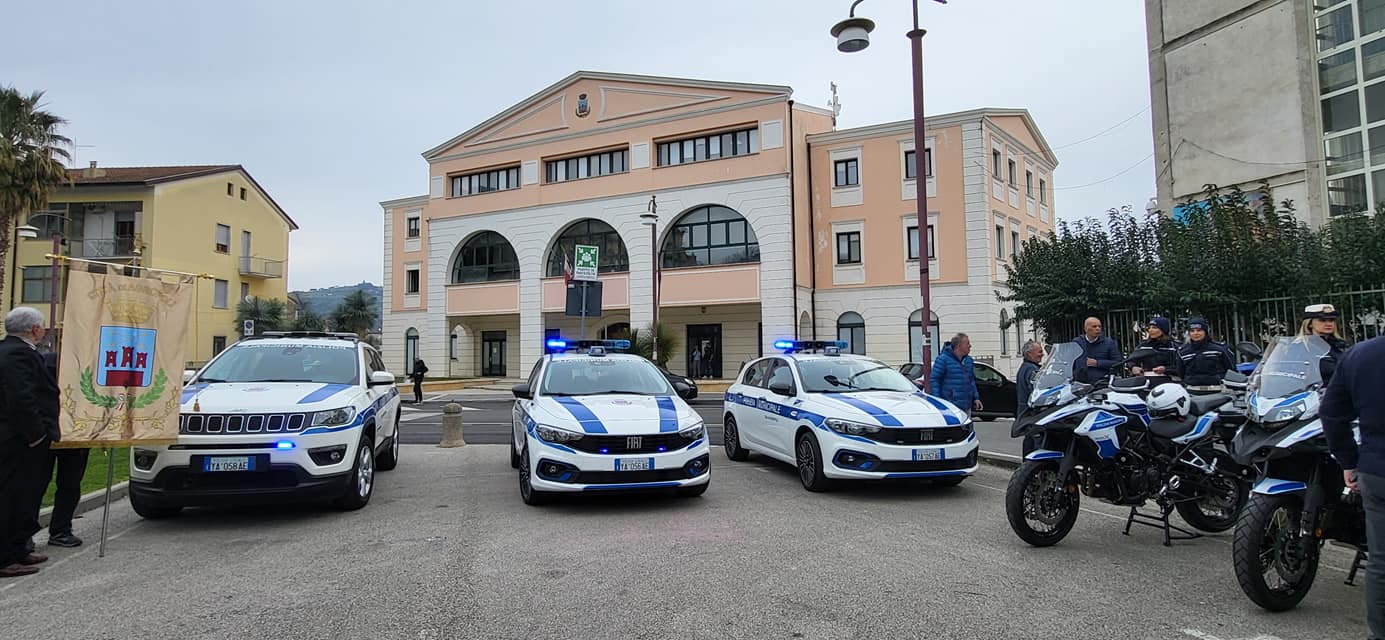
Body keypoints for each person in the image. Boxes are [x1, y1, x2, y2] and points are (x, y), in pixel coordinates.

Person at [1320, 334, 1385, 640]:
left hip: (1376, 470)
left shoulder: (1360, 355)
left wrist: (1348, 461)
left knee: (1381, 561)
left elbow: (1332, 413)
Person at [0, 308, 58, 577]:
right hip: (19, 440)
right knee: (11, 496)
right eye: (42, 326)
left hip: (21, 438)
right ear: (34, 329)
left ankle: (18, 550)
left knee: (25, 495)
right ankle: (4, 557)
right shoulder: (16, 354)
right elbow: (21, 398)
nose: (44, 329)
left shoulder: (17, 350)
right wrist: (36, 435)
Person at [34, 351, 88, 548]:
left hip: (77, 432)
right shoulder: (45, 362)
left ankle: (61, 529)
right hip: (48, 431)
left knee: (70, 484)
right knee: (36, 484)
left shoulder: (86, 361)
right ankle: (24, 533)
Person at [1177, 316, 1235, 391]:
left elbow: (1231, 369)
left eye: (1199, 330)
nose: (1196, 333)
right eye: (1192, 331)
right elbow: (1181, 373)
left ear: (1206, 331)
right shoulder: (1183, 352)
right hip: (1192, 391)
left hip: (1217, 391)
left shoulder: (1219, 349)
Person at [930, 333, 981, 416]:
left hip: (966, 405)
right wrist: (939, 401)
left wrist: (976, 398)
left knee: (966, 428)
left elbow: (971, 380)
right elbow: (934, 380)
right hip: (950, 405)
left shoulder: (969, 361)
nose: (970, 346)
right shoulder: (943, 359)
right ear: (958, 346)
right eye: (967, 343)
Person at [1300, 303, 1349, 384]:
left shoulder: (1341, 346)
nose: (1328, 324)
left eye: (1331, 320)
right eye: (1322, 320)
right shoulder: (1300, 347)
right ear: (1310, 323)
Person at [1015, 340, 1045, 455]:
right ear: (1029, 354)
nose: (1042, 354)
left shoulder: (1025, 367)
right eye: (1039, 352)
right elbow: (1037, 390)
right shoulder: (1031, 370)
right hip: (1031, 412)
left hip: (1025, 411)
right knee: (1036, 441)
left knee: (1029, 440)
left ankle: (1027, 467)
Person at [1071, 317, 1122, 384]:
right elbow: (1070, 361)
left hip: (1100, 383)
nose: (1097, 329)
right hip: (1079, 383)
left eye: (1099, 326)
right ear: (1086, 329)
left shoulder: (1109, 343)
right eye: (1094, 326)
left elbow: (1118, 363)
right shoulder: (1077, 342)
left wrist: (1097, 363)